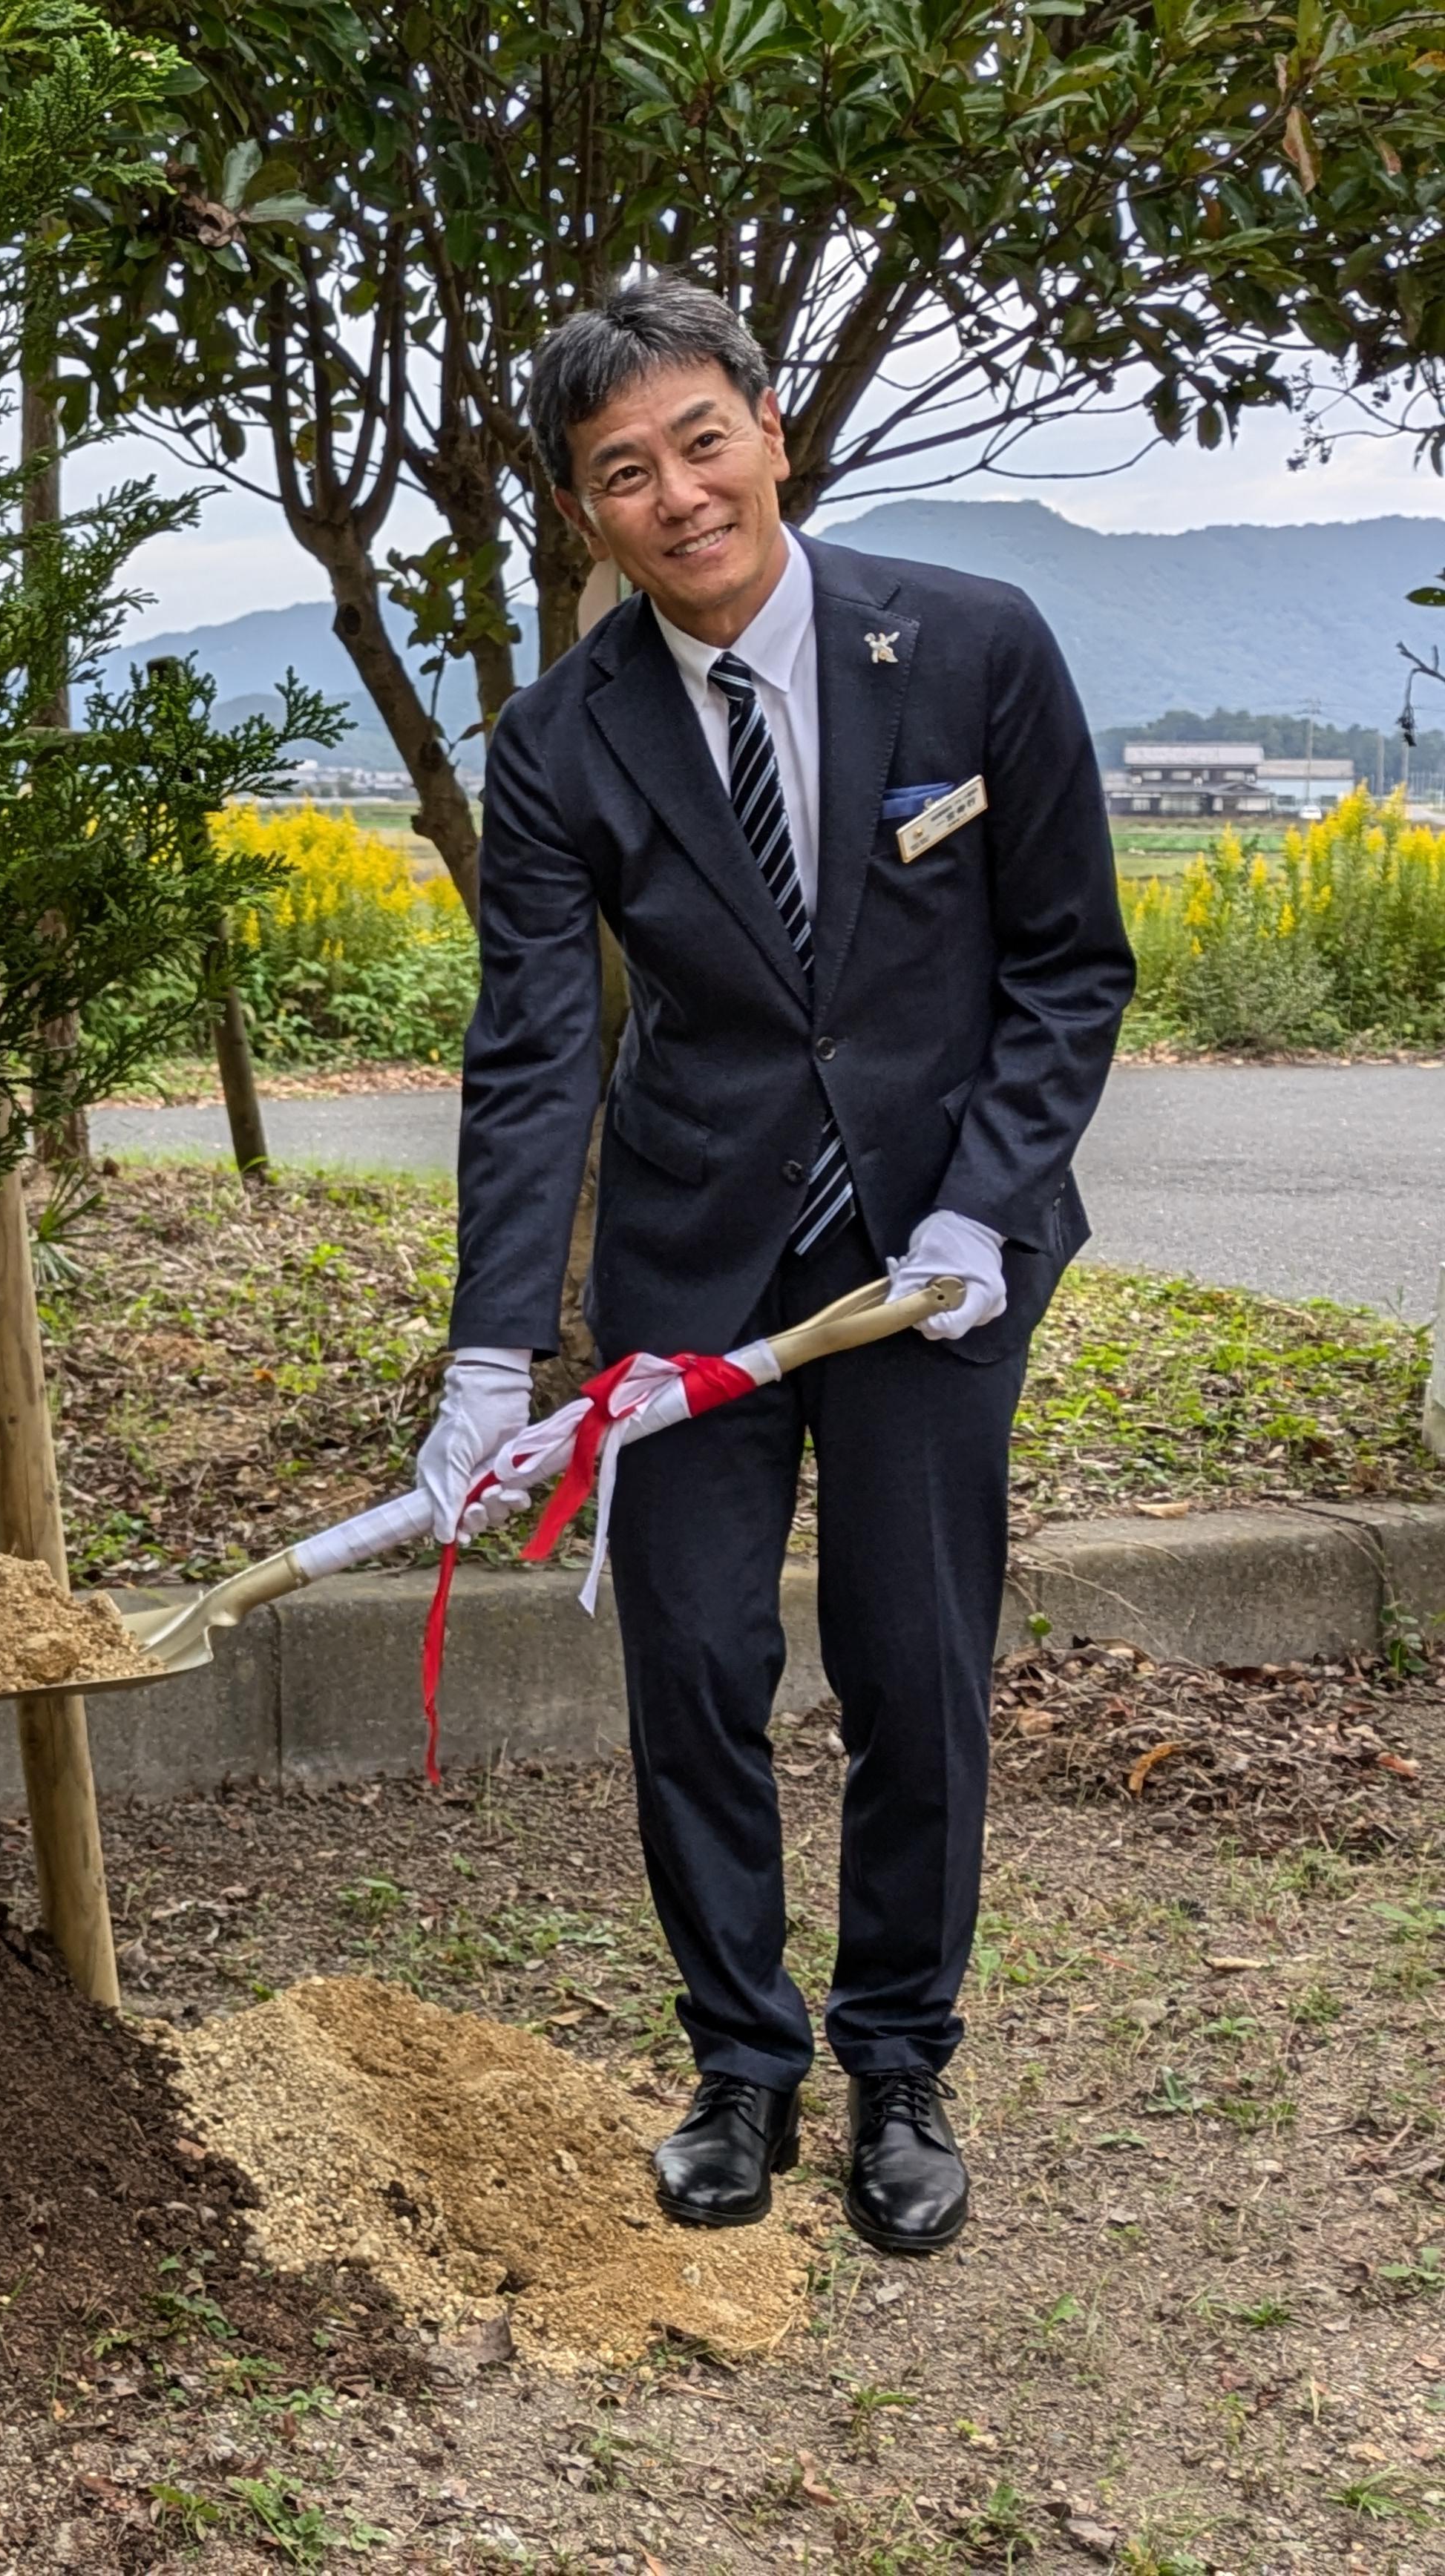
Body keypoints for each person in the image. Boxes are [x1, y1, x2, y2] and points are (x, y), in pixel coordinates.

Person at [416, 277, 1130, 2259]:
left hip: (936, 1261)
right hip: (692, 1264)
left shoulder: (974, 648)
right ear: (588, 515)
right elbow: (538, 1048)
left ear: (771, 430)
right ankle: (742, 2059)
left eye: (699, 442)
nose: (677, 495)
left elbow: (1070, 962)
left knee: (915, 1667)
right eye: (621, 474)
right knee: (696, 1669)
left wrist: (988, 1203)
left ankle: (899, 2057)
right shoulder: (564, 742)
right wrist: (494, 1354)